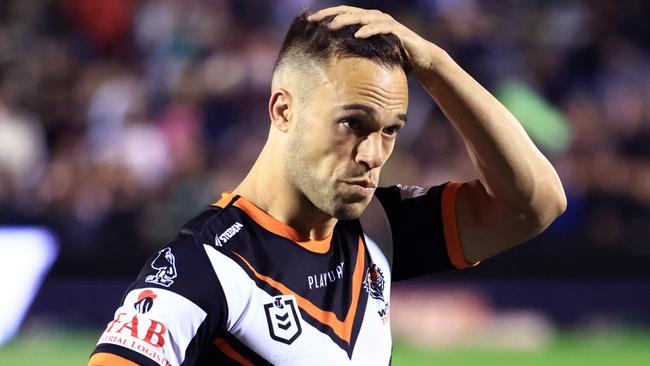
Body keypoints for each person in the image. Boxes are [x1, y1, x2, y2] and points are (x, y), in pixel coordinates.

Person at [89, 6, 566, 366]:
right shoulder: (206, 266)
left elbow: (535, 204)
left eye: (391, 130)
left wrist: (436, 65)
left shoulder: (377, 228)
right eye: (353, 123)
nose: (372, 155)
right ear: (282, 111)